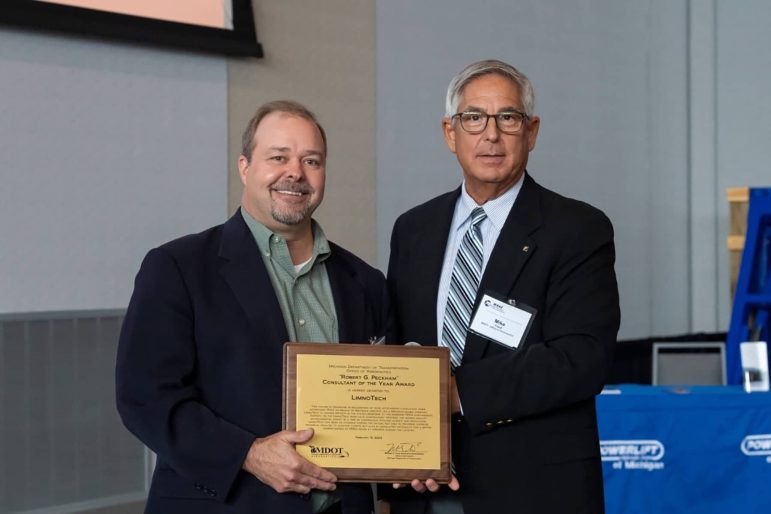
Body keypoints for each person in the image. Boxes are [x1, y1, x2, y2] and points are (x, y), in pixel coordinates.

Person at [116, 100, 388, 514]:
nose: (295, 172)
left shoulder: (364, 281)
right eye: (278, 157)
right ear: (245, 167)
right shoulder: (178, 268)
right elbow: (144, 398)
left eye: (311, 160)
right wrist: (249, 453)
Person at [384, 60, 621, 513]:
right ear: (450, 133)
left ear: (531, 132)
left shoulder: (577, 229)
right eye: (473, 118)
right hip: (423, 486)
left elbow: (582, 357)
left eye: (507, 118)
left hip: (534, 488)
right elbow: (402, 346)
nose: (490, 134)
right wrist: (397, 441)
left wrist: (454, 391)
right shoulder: (413, 229)